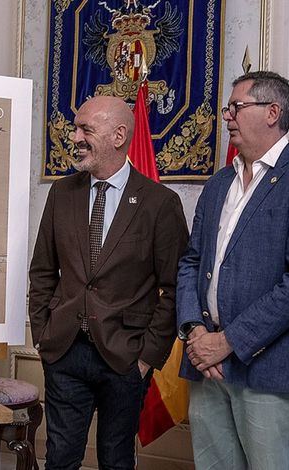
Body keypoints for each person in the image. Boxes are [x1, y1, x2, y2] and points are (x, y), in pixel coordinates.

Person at [176, 71, 289, 470]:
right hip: (207, 364)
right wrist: (194, 331)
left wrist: (228, 341)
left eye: (236, 107)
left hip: (270, 369)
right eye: (228, 108)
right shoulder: (218, 185)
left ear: (272, 112)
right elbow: (191, 262)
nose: (227, 116)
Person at [28, 95, 189, 469]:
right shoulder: (61, 193)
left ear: (119, 136)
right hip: (64, 351)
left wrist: (147, 358)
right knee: (59, 459)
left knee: (116, 461)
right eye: (76, 128)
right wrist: (42, 335)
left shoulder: (159, 203)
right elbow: (43, 271)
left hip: (126, 357)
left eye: (85, 129)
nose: (75, 137)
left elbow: (174, 287)